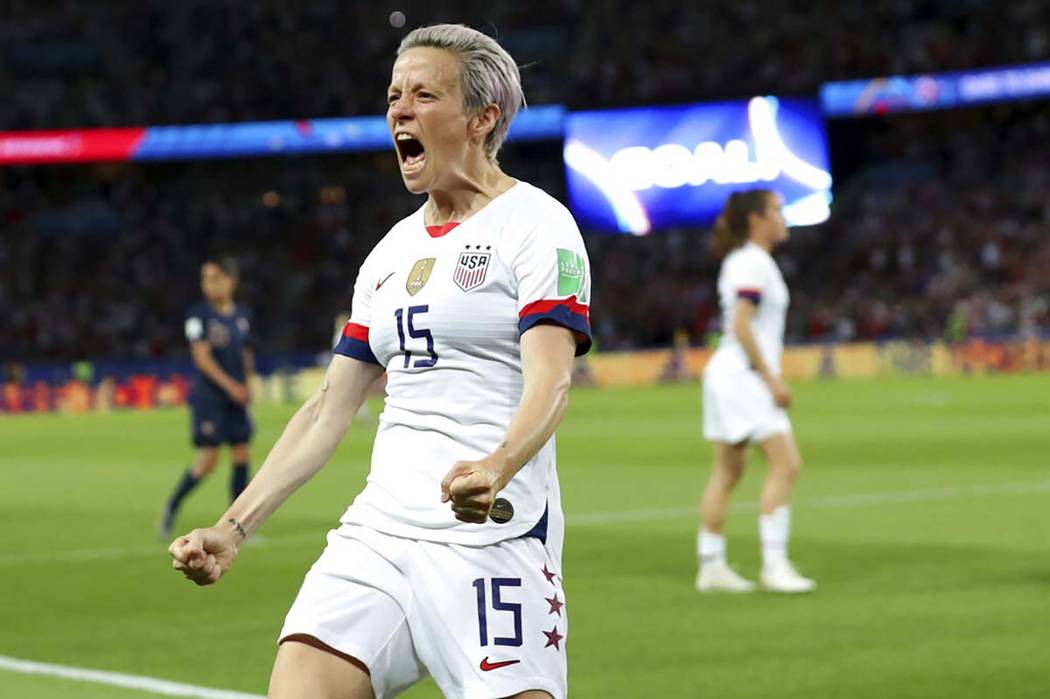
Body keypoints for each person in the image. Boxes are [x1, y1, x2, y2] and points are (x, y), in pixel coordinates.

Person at [169, 24, 591, 699]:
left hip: (490, 543)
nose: (400, 109)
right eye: (395, 94)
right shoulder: (390, 254)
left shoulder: (537, 225)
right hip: (380, 536)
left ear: (483, 118)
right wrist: (233, 525)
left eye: (425, 94)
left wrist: (497, 464)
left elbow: (553, 376)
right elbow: (327, 409)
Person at [696, 190, 815, 594]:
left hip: (728, 373)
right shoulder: (753, 262)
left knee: (728, 471)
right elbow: (743, 325)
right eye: (777, 211)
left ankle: (711, 564)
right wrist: (771, 378)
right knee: (786, 464)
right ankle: (775, 565)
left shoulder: (744, 261)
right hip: (743, 374)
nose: (783, 218)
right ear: (756, 220)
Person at [159, 257, 254, 539]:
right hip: (210, 398)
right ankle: (171, 507)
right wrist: (231, 386)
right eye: (204, 279)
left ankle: (237, 526)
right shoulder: (197, 315)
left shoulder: (244, 315)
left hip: (237, 397)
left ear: (231, 281)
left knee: (241, 453)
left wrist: (247, 385)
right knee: (207, 461)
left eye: (214, 278)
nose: (208, 285)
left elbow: (247, 353)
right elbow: (201, 357)